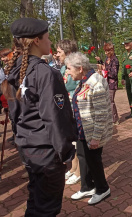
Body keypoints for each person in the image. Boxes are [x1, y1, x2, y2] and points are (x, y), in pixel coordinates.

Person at [2, 18, 77, 216]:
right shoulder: (46, 73)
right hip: (46, 152)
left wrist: (22, 139)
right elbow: (55, 118)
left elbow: (14, 114)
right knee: (47, 208)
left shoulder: (14, 69)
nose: (50, 42)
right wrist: (65, 152)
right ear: (36, 40)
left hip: (27, 146)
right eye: (48, 37)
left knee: (36, 200)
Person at [65, 52, 112, 205]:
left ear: (80, 68)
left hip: (92, 132)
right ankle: (87, 187)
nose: (67, 72)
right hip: (82, 130)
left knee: (94, 161)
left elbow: (101, 114)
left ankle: (102, 188)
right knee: (84, 158)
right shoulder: (84, 80)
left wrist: (96, 137)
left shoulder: (95, 82)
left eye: (69, 69)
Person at [56, 39, 81, 185]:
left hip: (75, 107)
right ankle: (73, 168)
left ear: (68, 52)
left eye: (59, 52)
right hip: (67, 107)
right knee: (72, 140)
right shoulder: (64, 67)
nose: (57, 55)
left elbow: (79, 87)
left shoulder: (77, 67)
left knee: (77, 140)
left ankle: (79, 171)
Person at [96, 43, 120, 125]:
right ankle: (112, 117)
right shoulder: (107, 59)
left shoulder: (115, 60)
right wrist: (100, 61)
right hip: (106, 82)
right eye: (105, 51)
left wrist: (105, 69)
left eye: (107, 51)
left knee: (110, 101)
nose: (106, 53)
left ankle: (115, 119)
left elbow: (114, 74)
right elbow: (105, 66)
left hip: (112, 84)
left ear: (111, 50)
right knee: (107, 101)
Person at [121, 38, 132, 119]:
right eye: (125, 44)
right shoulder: (124, 54)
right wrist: (122, 77)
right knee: (129, 94)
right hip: (127, 77)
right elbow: (123, 66)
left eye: (127, 43)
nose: (126, 45)